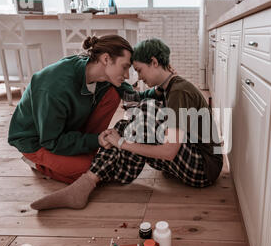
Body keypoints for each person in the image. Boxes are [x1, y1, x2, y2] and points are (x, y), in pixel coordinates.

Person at [30, 38, 223, 211]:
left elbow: (170, 152)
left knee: (145, 112)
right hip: (191, 159)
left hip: (204, 169)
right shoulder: (169, 88)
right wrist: (122, 138)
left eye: (138, 70)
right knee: (127, 125)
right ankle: (88, 183)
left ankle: (94, 179)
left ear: (154, 62)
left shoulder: (179, 91)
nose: (137, 77)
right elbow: (136, 100)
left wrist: (122, 144)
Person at [8, 34, 161, 184]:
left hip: (67, 130)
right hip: (39, 141)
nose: (127, 75)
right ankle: (37, 163)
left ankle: (87, 150)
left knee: (113, 93)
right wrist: (96, 140)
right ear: (106, 59)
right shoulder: (53, 86)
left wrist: (159, 90)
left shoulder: (101, 74)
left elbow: (131, 96)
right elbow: (51, 141)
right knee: (90, 170)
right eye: (125, 67)